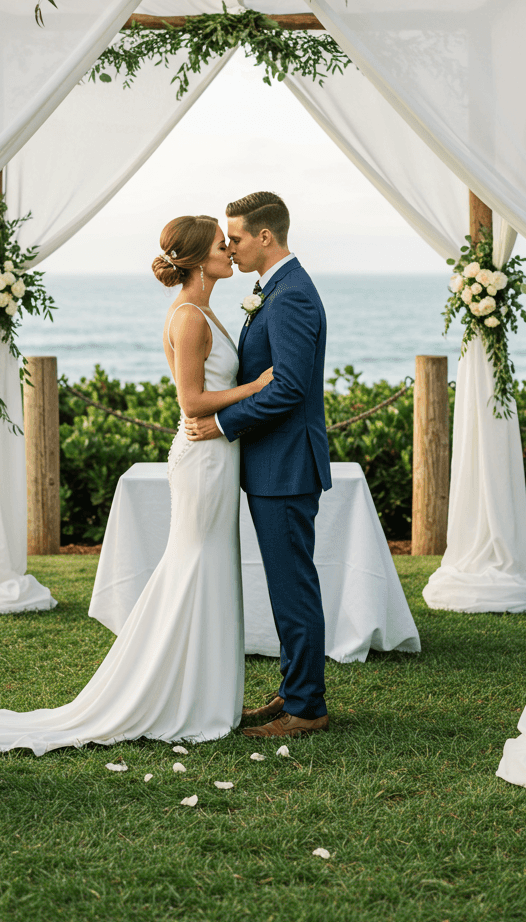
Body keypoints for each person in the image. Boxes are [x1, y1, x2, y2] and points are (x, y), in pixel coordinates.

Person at [0, 214, 273, 753]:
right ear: (196, 259)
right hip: (204, 457)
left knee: (209, 565)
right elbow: (191, 403)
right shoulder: (189, 317)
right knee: (195, 565)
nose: (230, 251)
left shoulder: (205, 310)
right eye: (221, 245)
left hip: (218, 456)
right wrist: (255, 387)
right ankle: (174, 693)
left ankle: (208, 694)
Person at [185, 192, 332, 740]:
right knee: (286, 586)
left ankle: (307, 708)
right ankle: (294, 690)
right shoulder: (274, 289)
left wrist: (222, 426)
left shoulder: (290, 296)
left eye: (237, 238)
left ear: (265, 237)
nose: (231, 247)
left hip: (286, 465)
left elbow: (290, 388)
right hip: (274, 464)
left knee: (293, 588)